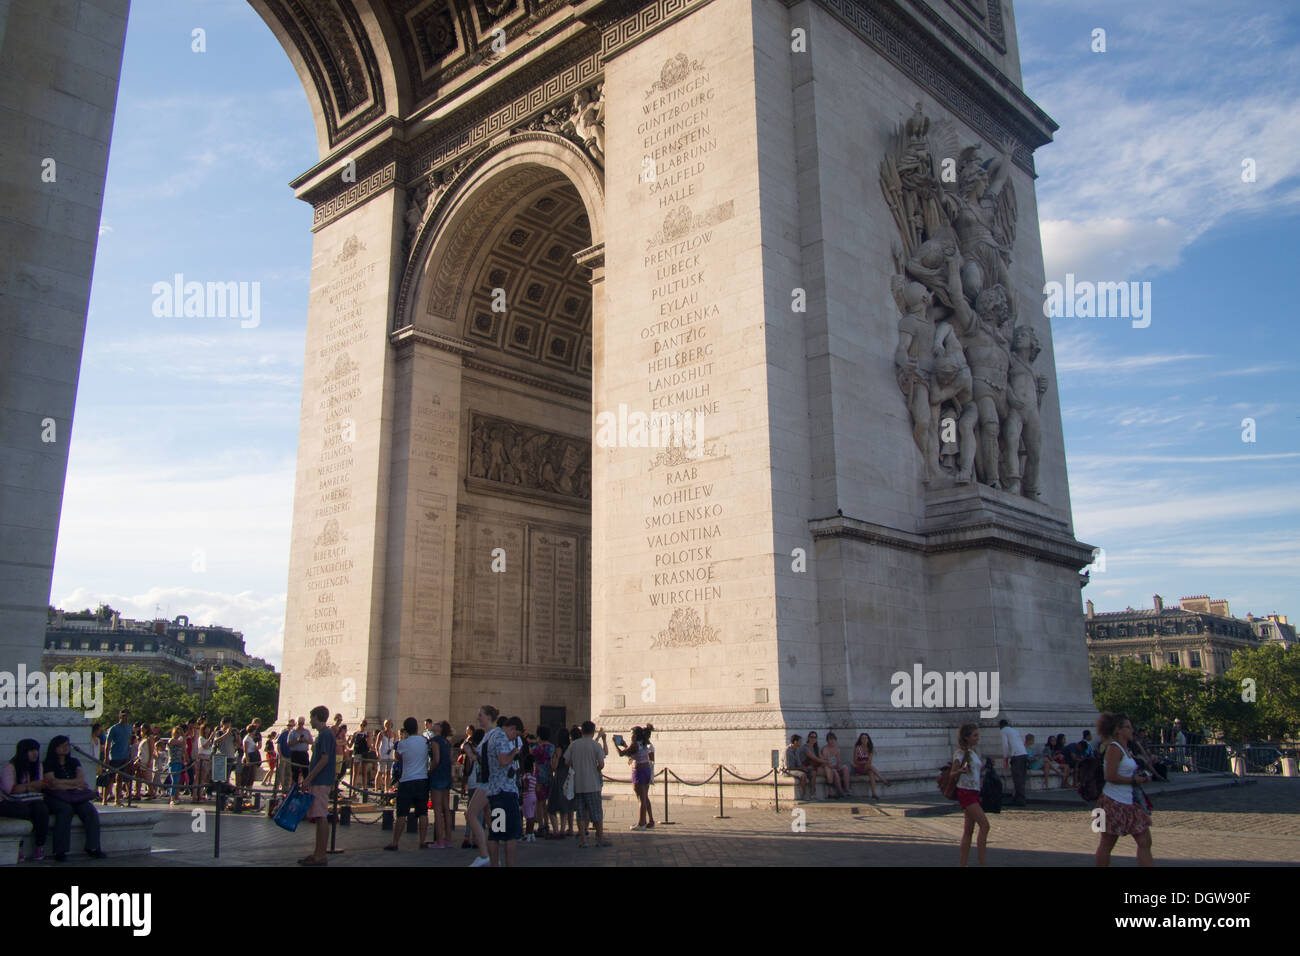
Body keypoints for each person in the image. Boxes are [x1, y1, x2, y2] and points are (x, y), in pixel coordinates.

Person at [1094, 712, 1154, 867]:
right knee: (1107, 844)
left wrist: (1141, 776)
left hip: (1129, 801)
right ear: (1117, 730)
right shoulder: (1114, 749)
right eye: (1127, 727)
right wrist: (1133, 780)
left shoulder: (1127, 749)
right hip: (1112, 801)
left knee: (1145, 841)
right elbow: (1110, 775)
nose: (1131, 730)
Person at [42, 735, 106, 862]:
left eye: (67, 745)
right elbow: (52, 783)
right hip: (56, 796)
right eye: (62, 745)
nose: (66, 748)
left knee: (89, 810)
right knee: (65, 811)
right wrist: (73, 783)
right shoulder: (48, 763)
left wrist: (64, 783)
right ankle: (60, 850)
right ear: (55, 748)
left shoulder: (74, 762)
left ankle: (93, 847)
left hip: (75, 795)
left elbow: (81, 780)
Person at [297, 705, 336, 866]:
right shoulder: (323, 734)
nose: (310, 721)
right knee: (319, 817)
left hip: (321, 780)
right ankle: (317, 853)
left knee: (321, 817)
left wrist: (309, 778)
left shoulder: (325, 734)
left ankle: (320, 855)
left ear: (317, 717)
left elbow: (324, 759)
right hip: (319, 780)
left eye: (311, 717)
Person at [483, 714, 523, 867]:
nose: (514, 739)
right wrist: (514, 752)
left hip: (495, 790)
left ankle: (494, 864)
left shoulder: (493, 735)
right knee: (511, 834)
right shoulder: (501, 738)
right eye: (515, 735)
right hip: (504, 791)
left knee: (496, 833)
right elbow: (503, 760)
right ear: (512, 729)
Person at [1, 739, 50, 861]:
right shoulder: (10, 767)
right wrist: (31, 786)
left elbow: (41, 787)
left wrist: (25, 787)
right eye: (31, 751)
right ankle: (19, 846)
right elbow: (11, 789)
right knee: (23, 811)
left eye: (36, 751)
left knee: (41, 810)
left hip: (33, 798)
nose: (35, 754)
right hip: (13, 801)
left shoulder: (38, 766)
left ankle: (40, 845)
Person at [385, 717, 430, 851]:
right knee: (423, 812)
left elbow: (397, 758)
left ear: (405, 729)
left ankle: (395, 842)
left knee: (402, 813)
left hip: (406, 780)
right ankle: (422, 841)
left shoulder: (402, 744)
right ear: (417, 728)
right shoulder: (425, 741)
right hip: (422, 779)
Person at [465, 705, 501, 866]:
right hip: (488, 781)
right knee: (486, 817)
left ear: (488, 716)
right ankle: (488, 855)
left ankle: (486, 855)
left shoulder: (494, 735)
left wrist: (469, 752)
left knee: (473, 814)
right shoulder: (489, 735)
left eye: (480, 715)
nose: (478, 718)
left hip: (490, 782)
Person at [566, 721, 609, 848]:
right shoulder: (595, 745)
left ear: (582, 731)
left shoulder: (574, 745)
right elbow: (601, 764)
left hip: (578, 785)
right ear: (593, 731)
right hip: (593, 784)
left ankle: (583, 840)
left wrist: (576, 766)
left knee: (580, 813)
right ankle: (600, 839)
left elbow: (566, 761)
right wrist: (595, 769)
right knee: (596, 813)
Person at [951, 723, 989, 867]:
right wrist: (960, 771)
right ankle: (982, 863)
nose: (977, 738)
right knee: (985, 825)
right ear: (967, 737)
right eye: (975, 735)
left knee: (968, 831)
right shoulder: (960, 753)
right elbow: (952, 773)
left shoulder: (972, 752)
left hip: (974, 792)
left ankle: (963, 864)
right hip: (966, 792)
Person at [617, 725, 657, 828]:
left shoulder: (634, 744)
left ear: (635, 734)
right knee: (644, 798)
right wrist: (625, 745)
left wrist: (614, 743)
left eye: (631, 733)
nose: (631, 735)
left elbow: (621, 753)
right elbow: (632, 753)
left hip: (638, 771)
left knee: (640, 799)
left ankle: (641, 823)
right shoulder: (644, 743)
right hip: (646, 770)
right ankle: (644, 822)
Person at [423, 720, 453, 848]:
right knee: (446, 809)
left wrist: (429, 772)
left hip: (437, 775)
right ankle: (448, 839)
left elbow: (436, 759)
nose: (435, 724)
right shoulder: (447, 742)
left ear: (440, 729)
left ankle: (439, 841)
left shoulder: (434, 740)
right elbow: (450, 760)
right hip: (446, 775)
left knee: (437, 809)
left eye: (438, 724)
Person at [529, 726, 556, 839]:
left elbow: (531, 753)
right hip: (549, 776)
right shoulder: (551, 747)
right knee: (545, 803)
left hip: (539, 777)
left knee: (539, 803)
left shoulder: (536, 748)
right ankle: (546, 823)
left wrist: (535, 742)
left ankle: (541, 825)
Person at [460, 727, 485, 849]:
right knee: (479, 812)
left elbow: (466, 767)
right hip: (481, 783)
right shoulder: (484, 749)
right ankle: (476, 839)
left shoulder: (469, 748)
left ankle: (467, 836)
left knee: (470, 810)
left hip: (471, 781)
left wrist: (463, 784)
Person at [105, 710, 133, 807]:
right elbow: (108, 743)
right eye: (123, 716)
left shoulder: (129, 727)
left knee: (120, 779)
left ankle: (117, 800)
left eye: (127, 716)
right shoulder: (114, 728)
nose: (125, 718)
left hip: (124, 757)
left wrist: (129, 755)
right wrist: (106, 757)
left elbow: (129, 741)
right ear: (119, 717)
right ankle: (104, 799)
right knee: (110, 779)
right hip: (114, 756)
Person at [801, 731, 840, 798]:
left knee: (830, 770)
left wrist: (827, 761)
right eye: (812, 737)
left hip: (816, 766)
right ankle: (816, 792)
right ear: (808, 738)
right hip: (808, 767)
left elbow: (821, 757)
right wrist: (826, 762)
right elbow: (815, 758)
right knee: (826, 769)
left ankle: (833, 791)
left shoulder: (816, 747)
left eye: (815, 737)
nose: (813, 739)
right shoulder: (805, 747)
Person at [999, 719, 1028, 806]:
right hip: (1023, 754)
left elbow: (1005, 745)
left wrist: (1005, 757)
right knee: (1022, 777)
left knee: (1017, 778)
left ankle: (1020, 799)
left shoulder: (1003, 731)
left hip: (1016, 755)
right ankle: (1018, 796)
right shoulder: (1014, 730)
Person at [852, 733, 890, 799]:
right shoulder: (858, 748)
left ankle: (874, 793)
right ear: (860, 740)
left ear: (868, 739)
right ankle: (883, 780)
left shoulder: (870, 748)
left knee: (871, 773)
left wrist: (866, 763)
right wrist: (862, 762)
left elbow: (869, 761)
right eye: (863, 738)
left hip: (867, 767)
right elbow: (855, 761)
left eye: (866, 738)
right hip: (859, 768)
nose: (864, 739)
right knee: (870, 767)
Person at [783, 734, 813, 801]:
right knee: (803, 775)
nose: (801, 743)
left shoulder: (797, 750)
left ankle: (812, 793)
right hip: (787, 771)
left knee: (812, 772)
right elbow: (787, 767)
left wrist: (805, 768)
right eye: (800, 741)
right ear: (795, 742)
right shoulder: (787, 751)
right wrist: (800, 768)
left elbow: (799, 763)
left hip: (795, 769)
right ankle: (804, 794)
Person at [822, 732, 850, 799]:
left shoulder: (837, 749)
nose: (832, 741)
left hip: (836, 766)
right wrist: (833, 766)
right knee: (835, 772)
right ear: (827, 741)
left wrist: (839, 765)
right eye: (830, 740)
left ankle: (847, 789)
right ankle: (840, 791)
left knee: (845, 768)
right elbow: (825, 762)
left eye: (833, 740)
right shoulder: (825, 749)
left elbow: (839, 760)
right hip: (829, 767)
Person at [350, 719, 374, 792]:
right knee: (355, 772)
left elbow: (369, 744)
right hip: (357, 752)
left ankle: (364, 788)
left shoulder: (367, 733)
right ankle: (353, 788)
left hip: (364, 753)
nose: (362, 726)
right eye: (361, 725)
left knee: (364, 771)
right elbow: (351, 744)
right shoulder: (356, 733)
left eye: (364, 725)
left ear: (366, 726)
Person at [288, 716, 312, 787]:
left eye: (302, 723)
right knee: (295, 772)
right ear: (296, 723)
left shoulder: (307, 732)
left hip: (304, 753)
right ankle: (294, 789)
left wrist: (305, 740)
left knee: (306, 772)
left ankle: (306, 788)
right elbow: (289, 743)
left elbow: (311, 741)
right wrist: (297, 741)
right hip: (295, 753)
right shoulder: (292, 732)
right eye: (299, 723)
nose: (301, 725)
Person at [167, 725, 186, 806]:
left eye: (179, 733)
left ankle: (175, 796)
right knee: (174, 781)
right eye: (176, 732)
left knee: (177, 780)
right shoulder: (171, 740)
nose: (178, 734)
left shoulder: (179, 740)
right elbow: (182, 743)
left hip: (179, 762)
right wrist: (182, 737)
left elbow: (183, 745)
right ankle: (172, 797)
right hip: (173, 762)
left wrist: (183, 735)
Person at [194, 722, 213, 802]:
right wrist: (210, 738)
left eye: (208, 728)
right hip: (202, 759)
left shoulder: (207, 738)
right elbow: (204, 746)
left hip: (208, 759)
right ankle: (195, 795)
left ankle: (201, 794)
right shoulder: (201, 738)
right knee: (198, 778)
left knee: (204, 779)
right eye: (206, 728)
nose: (208, 730)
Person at [376, 719, 396, 792]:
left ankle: (386, 789)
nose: (388, 726)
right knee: (380, 771)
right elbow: (377, 745)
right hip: (383, 754)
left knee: (388, 772)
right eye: (387, 724)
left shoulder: (393, 734)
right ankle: (376, 788)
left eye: (390, 724)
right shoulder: (381, 733)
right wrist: (378, 753)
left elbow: (393, 743)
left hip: (390, 755)